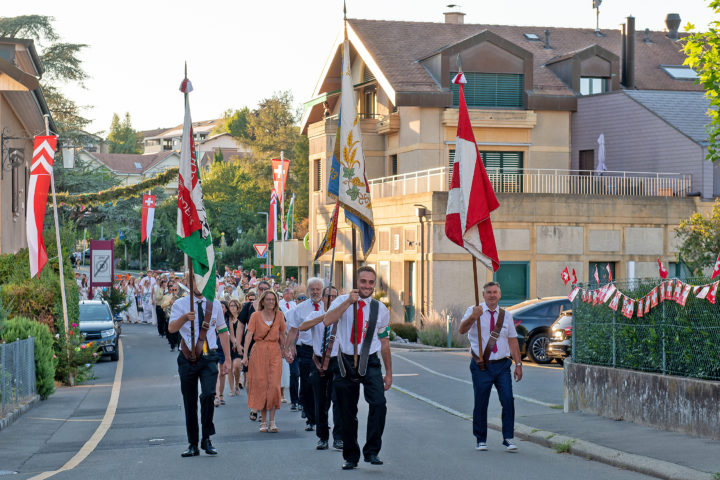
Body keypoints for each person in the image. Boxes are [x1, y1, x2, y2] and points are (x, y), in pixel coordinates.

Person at [323, 266, 392, 470]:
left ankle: (372, 451)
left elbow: (385, 341)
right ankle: (351, 456)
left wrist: (389, 372)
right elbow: (327, 320)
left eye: (371, 282)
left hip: (370, 361)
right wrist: (347, 302)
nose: (367, 286)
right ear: (356, 282)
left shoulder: (380, 309)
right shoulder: (341, 301)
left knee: (379, 404)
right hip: (345, 361)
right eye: (363, 281)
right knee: (347, 411)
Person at [167, 282, 231, 457]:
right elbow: (171, 328)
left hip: (209, 356)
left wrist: (228, 359)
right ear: (190, 284)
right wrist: (184, 318)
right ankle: (193, 443)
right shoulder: (181, 304)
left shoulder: (215, 304)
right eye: (195, 281)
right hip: (187, 358)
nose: (198, 285)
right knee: (189, 402)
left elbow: (222, 330)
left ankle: (207, 438)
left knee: (209, 395)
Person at [458, 281, 523, 452]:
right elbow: (461, 330)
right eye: (489, 292)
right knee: (481, 402)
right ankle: (481, 439)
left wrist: (519, 364)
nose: (492, 295)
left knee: (508, 400)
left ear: (499, 294)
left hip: (502, 365)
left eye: (495, 292)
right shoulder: (474, 310)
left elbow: (512, 340)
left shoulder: (506, 315)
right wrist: (473, 317)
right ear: (483, 294)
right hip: (481, 365)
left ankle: (508, 437)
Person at [298, 285, 343, 451]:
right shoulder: (315, 314)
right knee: (320, 402)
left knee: (338, 401)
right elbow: (302, 327)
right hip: (318, 362)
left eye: (334, 297)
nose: (331, 299)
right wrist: (325, 317)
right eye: (328, 296)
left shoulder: (342, 316)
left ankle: (338, 437)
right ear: (323, 298)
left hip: (337, 361)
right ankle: (322, 437)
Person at [241, 289, 288, 433]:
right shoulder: (255, 316)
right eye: (268, 299)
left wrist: (287, 351)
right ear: (262, 301)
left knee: (274, 385)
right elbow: (249, 334)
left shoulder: (279, 315)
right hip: (259, 350)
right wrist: (244, 355)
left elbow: (282, 334)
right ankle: (263, 421)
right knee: (261, 384)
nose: (271, 302)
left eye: (273, 299)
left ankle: (272, 421)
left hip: (274, 351)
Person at [285, 278, 325, 432]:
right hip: (307, 350)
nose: (315, 292)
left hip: (324, 352)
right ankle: (310, 418)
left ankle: (321, 415)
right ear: (308, 291)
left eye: (318, 289)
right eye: (312, 289)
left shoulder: (328, 306)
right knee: (307, 385)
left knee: (321, 386)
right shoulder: (300, 309)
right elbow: (293, 330)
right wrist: (287, 348)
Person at [237, 282, 270, 421]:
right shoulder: (249, 306)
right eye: (261, 289)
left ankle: (261, 408)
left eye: (265, 289)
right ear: (257, 290)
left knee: (264, 379)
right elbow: (240, 325)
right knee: (251, 380)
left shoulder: (273, 306)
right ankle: (254, 406)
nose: (262, 291)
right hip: (251, 346)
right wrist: (238, 343)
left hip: (268, 346)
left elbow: (281, 328)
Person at [214, 301, 229, 407]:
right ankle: (215, 396)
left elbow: (229, 334)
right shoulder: (212, 317)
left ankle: (221, 394)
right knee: (214, 372)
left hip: (224, 348)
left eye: (223, 307)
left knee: (222, 373)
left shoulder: (229, 320)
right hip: (213, 347)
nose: (221, 309)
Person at [227, 299, 243, 396]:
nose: (232, 307)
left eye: (234, 305)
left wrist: (239, 343)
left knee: (236, 366)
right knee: (229, 368)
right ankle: (232, 389)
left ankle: (237, 384)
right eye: (231, 305)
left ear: (238, 307)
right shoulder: (227, 318)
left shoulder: (241, 318)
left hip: (239, 344)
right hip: (228, 344)